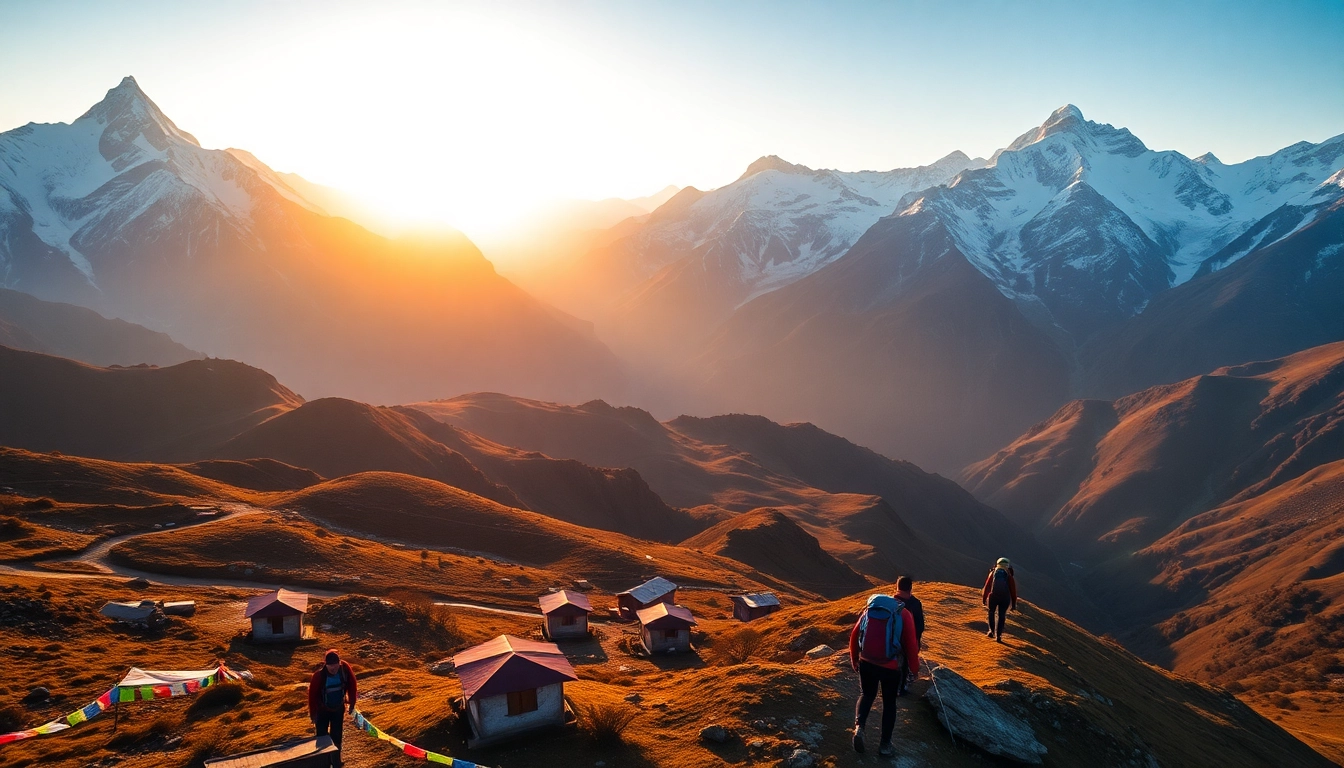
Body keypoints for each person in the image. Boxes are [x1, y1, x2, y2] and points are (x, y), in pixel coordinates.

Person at [848, 593, 919, 756]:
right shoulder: (904, 614)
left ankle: (859, 727)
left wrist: (855, 659)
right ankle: (885, 745)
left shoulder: (870, 609)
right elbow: (911, 645)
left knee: (866, 695)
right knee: (889, 704)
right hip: (890, 667)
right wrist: (914, 670)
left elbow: (854, 634)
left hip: (867, 661)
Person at [308, 649, 358, 766]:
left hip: (338, 709)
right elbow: (312, 696)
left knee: (337, 735)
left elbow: (352, 685)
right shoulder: (318, 676)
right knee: (321, 736)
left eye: (335, 665)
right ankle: (323, 763)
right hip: (322, 711)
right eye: (330, 666)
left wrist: (352, 703)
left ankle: (336, 762)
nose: (333, 668)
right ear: (326, 664)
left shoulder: (344, 671)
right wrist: (313, 713)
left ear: (339, 663)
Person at [894, 576, 924, 695]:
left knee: (896, 662)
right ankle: (902, 688)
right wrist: (916, 641)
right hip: (909, 640)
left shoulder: (891, 602)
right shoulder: (915, 603)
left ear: (897, 587)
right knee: (905, 663)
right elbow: (920, 626)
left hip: (892, 639)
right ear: (910, 589)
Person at [981, 557, 1017, 642]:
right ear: (1007, 565)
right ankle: (998, 636)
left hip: (993, 597)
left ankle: (991, 632)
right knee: (1001, 615)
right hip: (1005, 598)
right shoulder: (1008, 575)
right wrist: (1014, 604)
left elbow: (987, 587)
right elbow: (1013, 591)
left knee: (991, 612)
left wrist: (984, 599)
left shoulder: (993, 573)